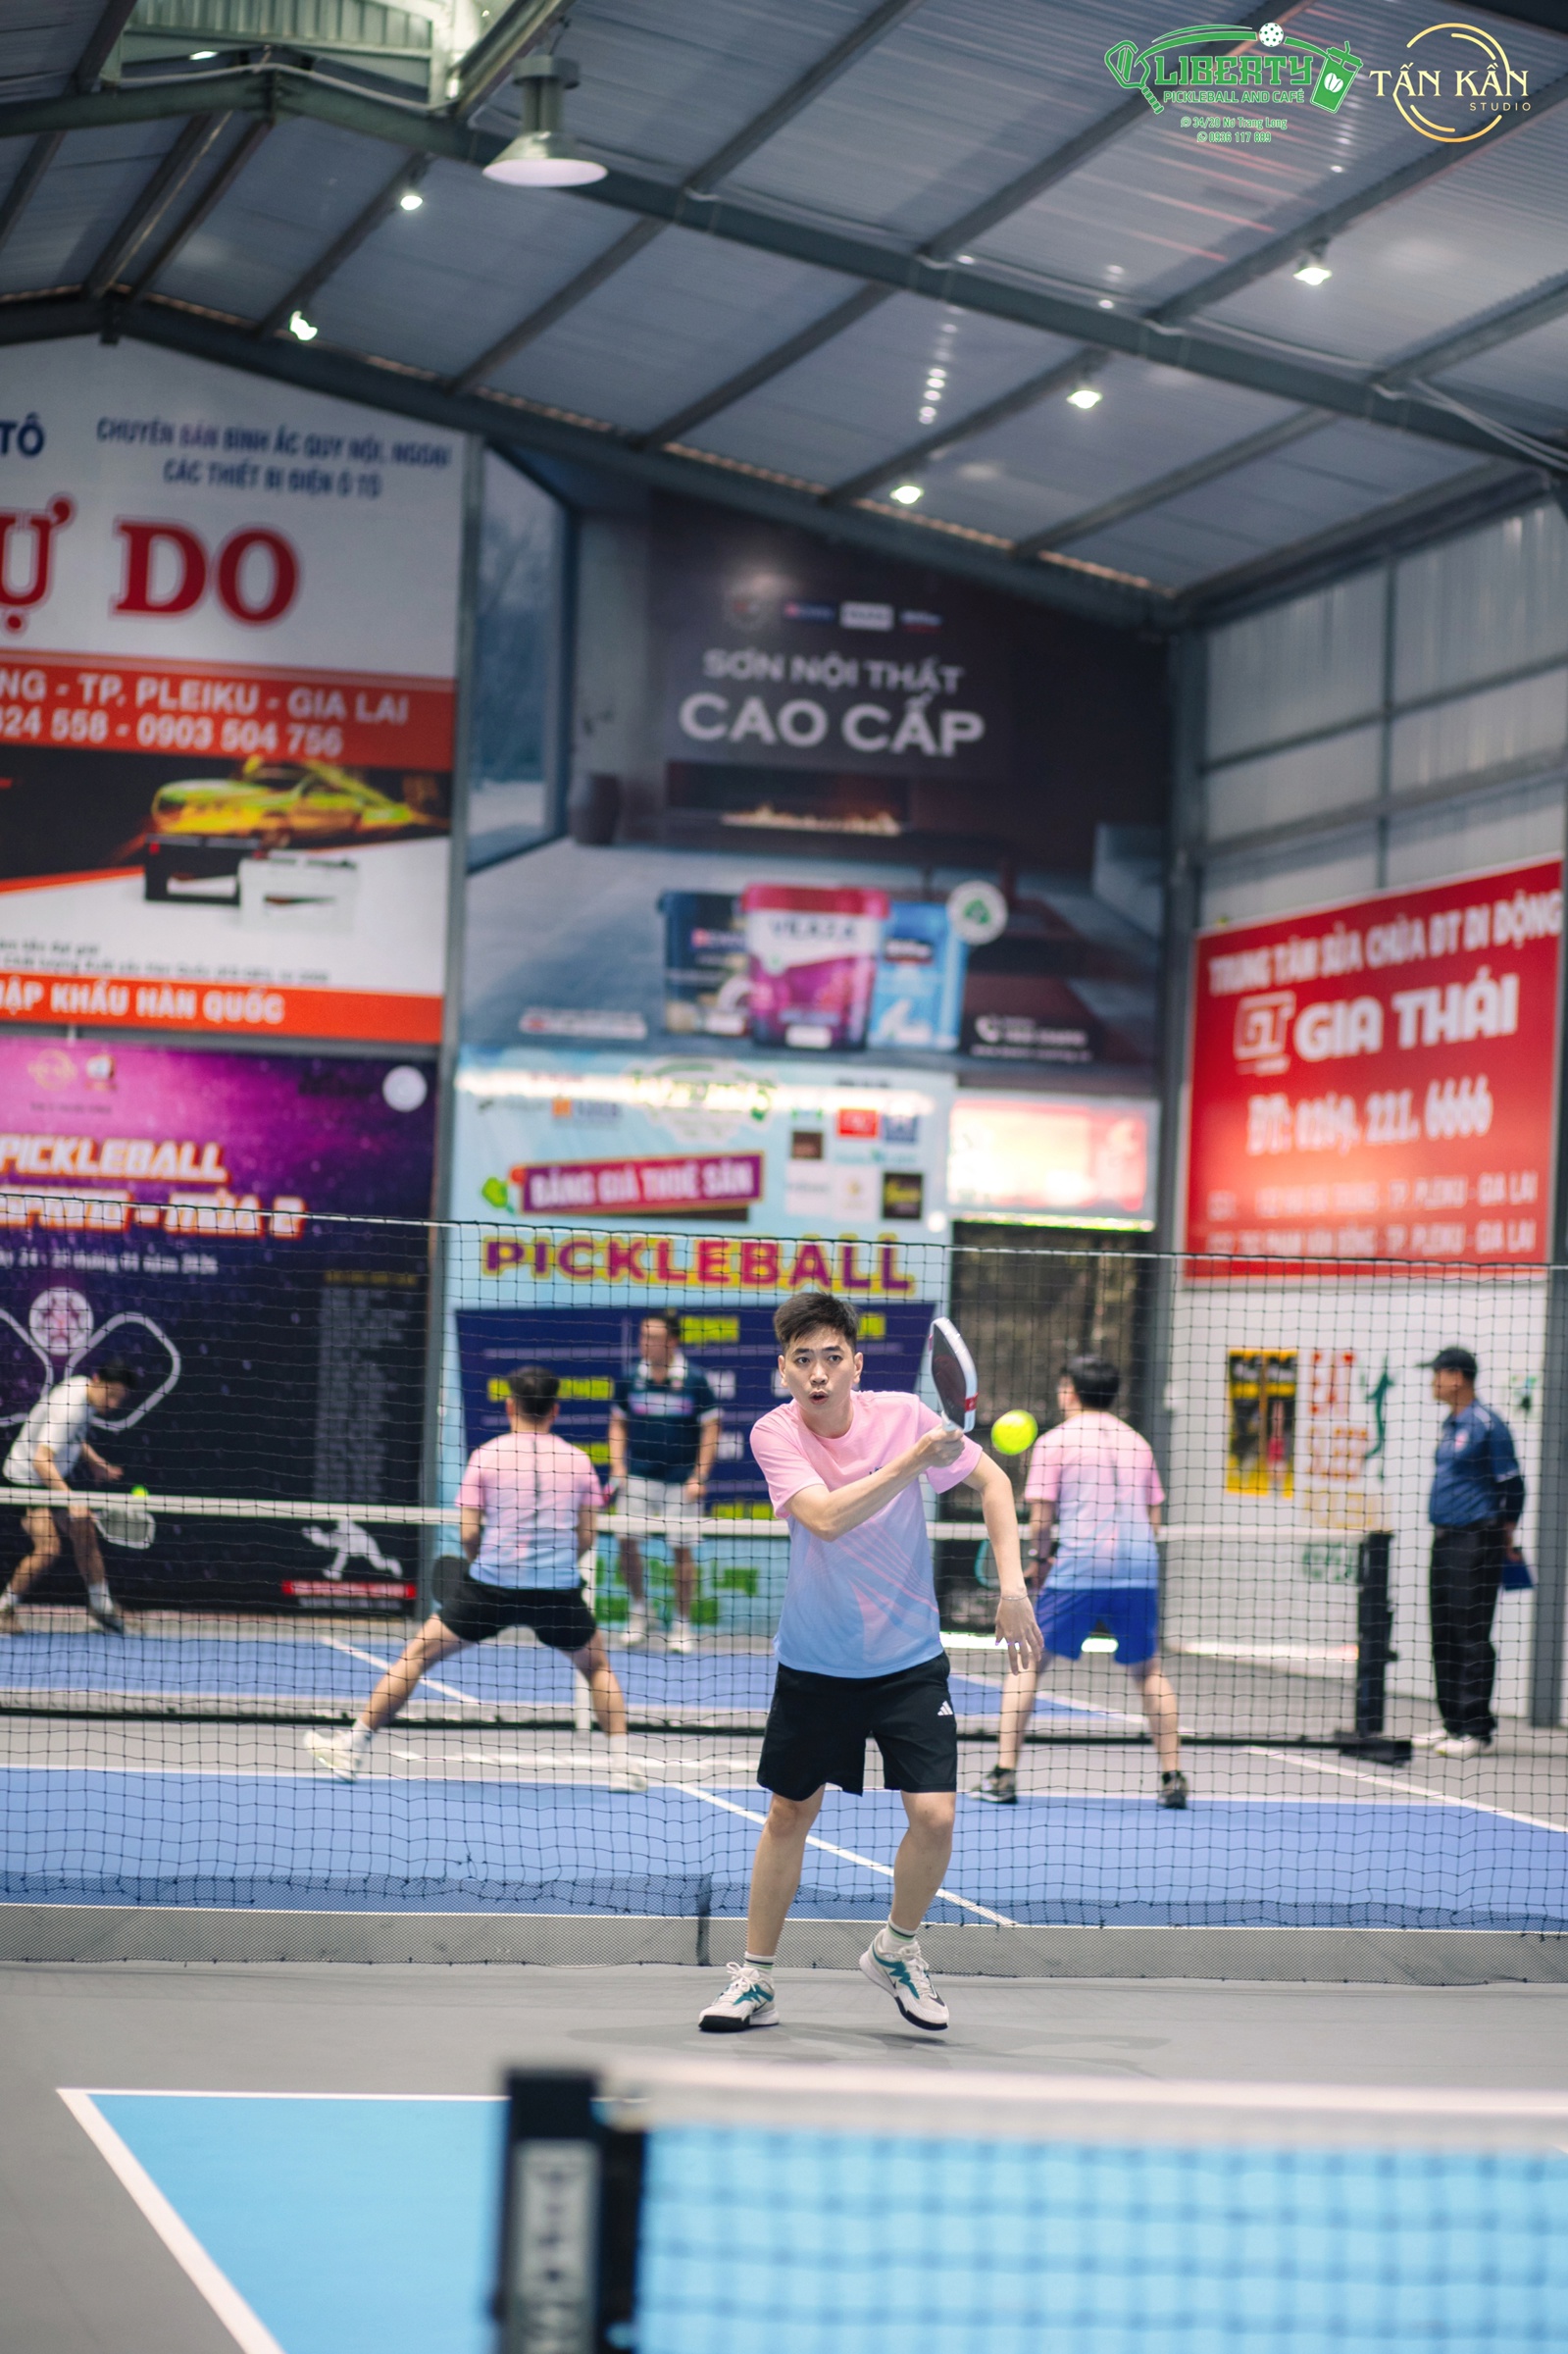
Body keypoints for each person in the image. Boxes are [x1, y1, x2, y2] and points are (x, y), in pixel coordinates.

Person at [697, 1292, 1041, 2037]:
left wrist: (1012, 1588)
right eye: (802, 1360)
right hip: (816, 1661)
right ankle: (756, 1977)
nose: (818, 1373)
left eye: (831, 1357)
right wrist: (913, 1463)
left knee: (936, 1817)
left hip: (907, 1658)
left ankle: (896, 1948)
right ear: (783, 1370)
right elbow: (824, 1518)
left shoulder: (904, 1414)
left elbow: (994, 1483)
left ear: (856, 1364)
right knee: (790, 1813)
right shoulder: (774, 1432)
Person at [305, 1365, 644, 1787]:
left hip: (490, 1588)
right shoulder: (578, 1462)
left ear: (510, 1406)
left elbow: (468, 1534)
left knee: (415, 1657)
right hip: (556, 1592)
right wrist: (555, 1564)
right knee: (597, 1667)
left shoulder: (486, 1456)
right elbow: (588, 1537)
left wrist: (484, 1564)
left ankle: (352, 1748)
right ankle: (622, 1767)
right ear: (555, 1410)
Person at [977, 1355, 1187, 1811]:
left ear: (1069, 1390)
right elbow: (1154, 1518)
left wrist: (1039, 1561)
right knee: (1149, 1670)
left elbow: (1041, 1518)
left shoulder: (1055, 1442)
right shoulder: (1138, 1443)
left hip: (1080, 1567)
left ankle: (1003, 1774)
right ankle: (1173, 1778)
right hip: (1139, 1567)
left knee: (1027, 1664)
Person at [1419, 1346, 1524, 1760]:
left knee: (1470, 1632)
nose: (1433, 1383)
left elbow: (1512, 1486)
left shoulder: (1487, 1425)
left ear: (1457, 1377)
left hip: (1476, 1542)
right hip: (1445, 1540)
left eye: (1437, 1374)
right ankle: (1452, 1722)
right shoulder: (1450, 1424)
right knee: (1443, 1630)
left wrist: (1505, 1536)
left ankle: (1475, 1728)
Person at [609, 1310, 720, 1653]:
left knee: (681, 1551)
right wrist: (617, 1467)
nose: (645, 1343)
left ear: (672, 1341)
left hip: (681, 1479)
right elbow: (618, 1422)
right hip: (639, 1475)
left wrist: (699, 1475)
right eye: (643, 1336)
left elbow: (711, 1429)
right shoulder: (630, 1378)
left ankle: (682, 1623)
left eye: (653, 1337)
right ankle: (640, 1611)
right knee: (626, 1542)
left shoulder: (694, 1380)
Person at [1, 1359, 139, 1634]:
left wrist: (94, 1461)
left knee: (85, 1530)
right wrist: (71, 1501)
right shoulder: (71, 1407)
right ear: (97, 1380)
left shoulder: (83, 1390)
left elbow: (71, 1436)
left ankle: (102, 1609)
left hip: (47, 1479)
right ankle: (3, 1608)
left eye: (119, 1398)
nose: (113, 1404)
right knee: (49, 1547)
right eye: (110, 1394)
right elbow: (41, 1461)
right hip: (26, 1482)